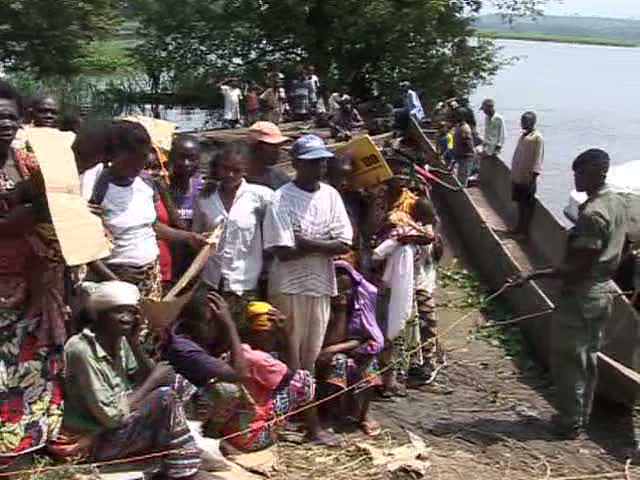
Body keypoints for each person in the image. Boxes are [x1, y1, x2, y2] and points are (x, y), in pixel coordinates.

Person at [509, 149, 627, 438]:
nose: (575, 177)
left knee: (568, 358)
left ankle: (569, 422)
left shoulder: (593, 214)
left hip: (582, 295)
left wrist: (533, 275)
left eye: (580, 172)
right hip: (601, 292)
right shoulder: (616, 202)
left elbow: (577, 268)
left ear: (598, 172)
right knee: (587, 356)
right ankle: (579, 416)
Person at [60, 281, 212, 480]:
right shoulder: (82, 350)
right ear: (99, 315)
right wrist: (153, 382)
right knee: (164, 396)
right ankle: (183, 468)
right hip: (93, 439)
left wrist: (134, 343)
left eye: (131, 313)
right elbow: (112, 416)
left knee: (176, 383)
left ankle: (183, 451)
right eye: (119, 312)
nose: (126, 319)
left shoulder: (119, 340)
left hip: (119, 424)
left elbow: (148, 376)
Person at [263, 134, 353, 445]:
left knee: (311, 356)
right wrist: (322, 244)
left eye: (322, 161)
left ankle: (306, 418)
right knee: (290, 354)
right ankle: (292, 419)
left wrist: (306, 242)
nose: (320, 167)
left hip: (319, 285)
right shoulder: (281, 198)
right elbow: (283, 250)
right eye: (313, 162)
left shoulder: (330, 195)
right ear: (298, 164)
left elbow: (344, 242)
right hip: (289, 285)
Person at [161, 289, 315, 453]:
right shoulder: (251, 357)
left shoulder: (189, 339)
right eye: (269, 335)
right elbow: (295, 378)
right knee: (303, 382)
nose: (273, 338)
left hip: (231, 427)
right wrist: (288, 335)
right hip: (251, 437)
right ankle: (315, 429)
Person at [0, 80, 66, 462]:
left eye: (10, 116)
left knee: (33, 367)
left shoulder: (30, 164)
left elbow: (62, 201)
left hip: (37, 287)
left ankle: (25, 446)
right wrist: (30, 216)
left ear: (22, 119)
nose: (4, 124)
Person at [88, 121, 204, 303]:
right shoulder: (96, 187)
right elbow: (86, 248)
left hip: (150, 274)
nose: (139, 166)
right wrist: (116, 284)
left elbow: (152, 226)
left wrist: (188, 238)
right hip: (114, 274)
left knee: (150, 328)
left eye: (142, 159)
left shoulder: (146, 182)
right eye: (132, 159)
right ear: (115, 154)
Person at [193, 141, 273, 334]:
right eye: (226, 169)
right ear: (219, 167)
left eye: (236, 170)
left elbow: (281, 215)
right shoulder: (205, 198)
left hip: (244, 285)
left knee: (243, 338)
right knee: (211, 337)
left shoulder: (260, 196)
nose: (230, 175)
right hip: (212, 282)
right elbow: (196, 234)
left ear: (244, 170)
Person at [316, 261, 383, 436]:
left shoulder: (361, 307)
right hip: (323, 355)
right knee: (339, 362)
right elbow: (328, 343)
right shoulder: (322, 307)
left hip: (343, 350)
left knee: (370, 362)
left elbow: (363, 338)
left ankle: (363, 414)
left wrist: (339, 348)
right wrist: (340, 312)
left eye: (347, 289)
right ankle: (328, 416)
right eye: (339, 289)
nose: (344, 294)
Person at [510, 111, 544, 237]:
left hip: (527, 179)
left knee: (526, 207)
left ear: (532, 122)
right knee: (519, 205)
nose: (522, 123)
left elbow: (537, 159)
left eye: (525, 121)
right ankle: (518, 228)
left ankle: (524, 232)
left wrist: (532, 179)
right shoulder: (523, 136)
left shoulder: (537, 138)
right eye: (522, 120)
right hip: (518, 176)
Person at [246, 121, 290, 190]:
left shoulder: (279, 178)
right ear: (256, 147)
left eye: (279, 145)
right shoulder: (234, 177)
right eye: (273, 146)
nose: (278, 150)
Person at [453, 107, 476, 187]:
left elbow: (468, 143)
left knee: (463, 178)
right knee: (460, 176)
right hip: (461, 156)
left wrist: (472, 151)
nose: (456, 117)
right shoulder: (459, 126)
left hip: (466, 156)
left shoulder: (465, 128)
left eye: (458, 115)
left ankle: (462, 192)